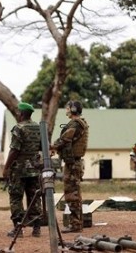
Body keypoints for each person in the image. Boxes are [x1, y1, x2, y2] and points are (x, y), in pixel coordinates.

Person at [2, 102, 43, 238]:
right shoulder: (38, 128)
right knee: (34, 197)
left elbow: (14, 150)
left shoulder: (18, 128)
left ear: (22, 114)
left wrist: (6, 167)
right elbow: (43, 147)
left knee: (15, 197)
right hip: (34, 169)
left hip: (19, 170)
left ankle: (18, 229)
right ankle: (36, 229)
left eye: (19, 112)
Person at [50, 100, 89, 233]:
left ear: (72, 109)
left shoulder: (75, 124)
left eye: (67, 108)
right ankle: (77, 223)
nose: (66, 110)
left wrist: (52, 146)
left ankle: (75, 225)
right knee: (75, 193)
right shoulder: (78, 123)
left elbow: (65, 139)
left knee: (72, 194)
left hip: (73, 164)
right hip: (73, 163)